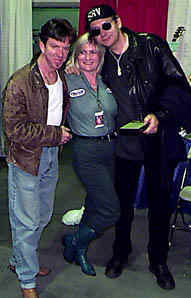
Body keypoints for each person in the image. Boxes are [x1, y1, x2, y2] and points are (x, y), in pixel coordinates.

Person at [82, 4, 191, 290]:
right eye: (96, 30)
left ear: (118, 22)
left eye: (107, 25)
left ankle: (158, 261)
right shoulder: (101, 58)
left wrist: (161, 116)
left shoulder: (151, 46)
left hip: (158, 142)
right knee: (122, 206)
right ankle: (121, 252)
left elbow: (178, 86)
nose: (102, 33)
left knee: (159, 205)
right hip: (122, 146)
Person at [2, 18, 76, 298]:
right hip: (25, 159)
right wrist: (55, 135)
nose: (59, 53)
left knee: (43, 216)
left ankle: (20, 260)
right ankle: (26, 281)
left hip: (50, 157)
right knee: (26, 221)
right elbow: (14, 129)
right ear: (41, 45)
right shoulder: (20, 83)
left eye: (65, 48)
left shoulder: (62, 75)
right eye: (54, 47)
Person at [62, 32, 120, 277]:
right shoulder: (67, 78)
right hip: (85, 150)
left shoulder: (108, 79)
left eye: (93, 52)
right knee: (110, 210)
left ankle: (80, 249)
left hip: (110, 148)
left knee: (96, 204)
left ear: (101, 55)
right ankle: (75, 241)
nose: (88, 57)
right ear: (76, 55)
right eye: (82, 52)